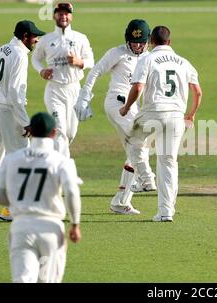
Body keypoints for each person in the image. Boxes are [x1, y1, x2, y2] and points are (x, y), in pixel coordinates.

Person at [120, 26, 203, 222]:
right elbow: (198, 92)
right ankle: (166, 212)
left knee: (131, 139)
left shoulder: (147, 59)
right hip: (176, 115)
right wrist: (190, 114)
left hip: (153, 111)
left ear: (151, 42)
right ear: (170, 42)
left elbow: (138, 86)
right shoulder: (184, 62)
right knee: (168, 162)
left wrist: (126, 108)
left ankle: (144, 178)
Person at [0, 112, 82, 283]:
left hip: (21, 226)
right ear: (54, 133)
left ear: (30, 131)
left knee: (23, 279)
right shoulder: (61, 161)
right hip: (51, 227)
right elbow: (72, 192)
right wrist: (75, 224)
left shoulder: (12, 158)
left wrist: (19, 203)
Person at [74, 19, 154, 215]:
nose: (137, 45)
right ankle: (147, 179)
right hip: (116, 104)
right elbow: (95, 72)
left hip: (133, 108)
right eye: (134, 42)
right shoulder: (117, 53)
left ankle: (121, 201)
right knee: (138, 144)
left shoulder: (149, 57)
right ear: (127, 39)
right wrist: (84, 98)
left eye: (141, 42)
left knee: (136, 151)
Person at [0, 20, 45, 222]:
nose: (37, 40)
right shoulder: (20, 54)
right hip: (8, 109)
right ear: (24, 37)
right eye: (34, 37)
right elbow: (15, 91)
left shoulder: (0, 49)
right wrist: (25, 122)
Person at [32, 2, 94, 158]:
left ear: (71, 16)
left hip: (74, 90)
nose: (63, 16)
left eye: (66, 13)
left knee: (70, 133)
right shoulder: (46, 39)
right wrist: (42, 71)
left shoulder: (80, 38)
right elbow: (35, 59)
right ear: (54, 16)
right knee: (60, 131)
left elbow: (91, 61)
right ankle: (59, 170)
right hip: (54, 90)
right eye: (60, 13)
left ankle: (48, 158)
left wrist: (79, 62)